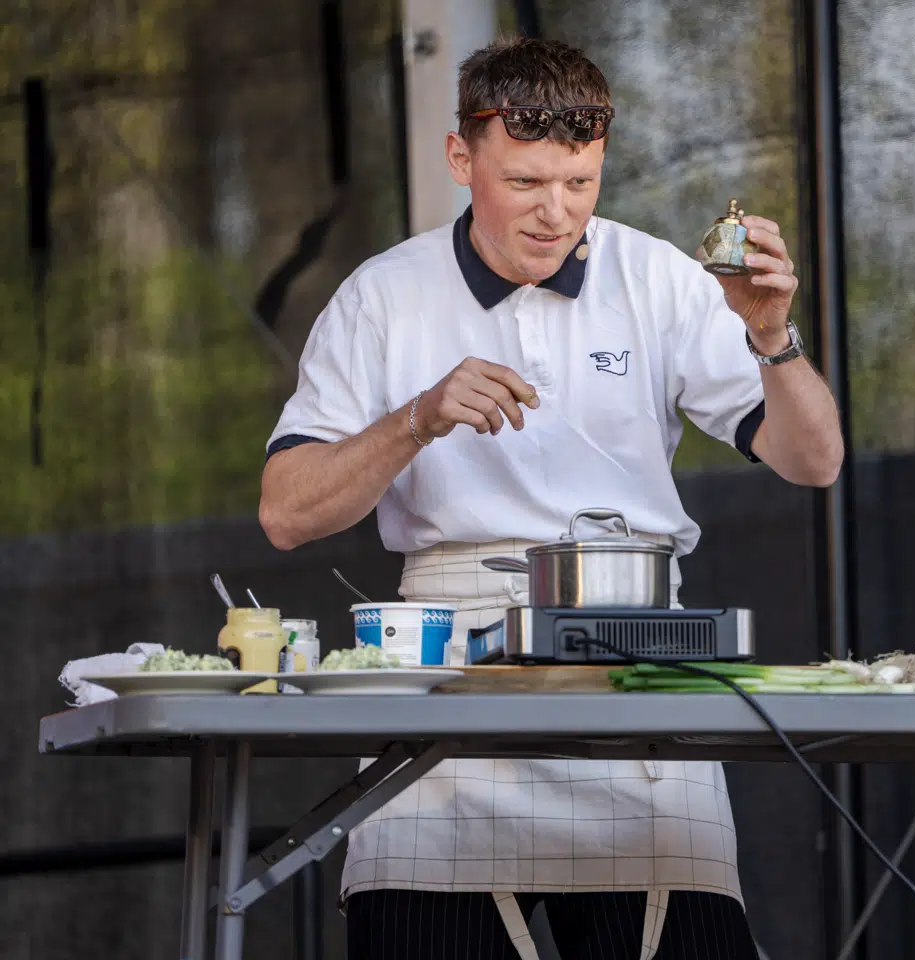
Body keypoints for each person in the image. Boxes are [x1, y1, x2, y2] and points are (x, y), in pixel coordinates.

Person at [259, 36, 842, 960]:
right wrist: (416, 418)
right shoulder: (383, 297)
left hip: (636, 653)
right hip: (448, 666)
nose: (556, 213)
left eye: (580, 182)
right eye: (527, 182)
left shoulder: (657, 279)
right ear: (462, 157)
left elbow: (815, 461)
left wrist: (772, 335)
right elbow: (286, 512)